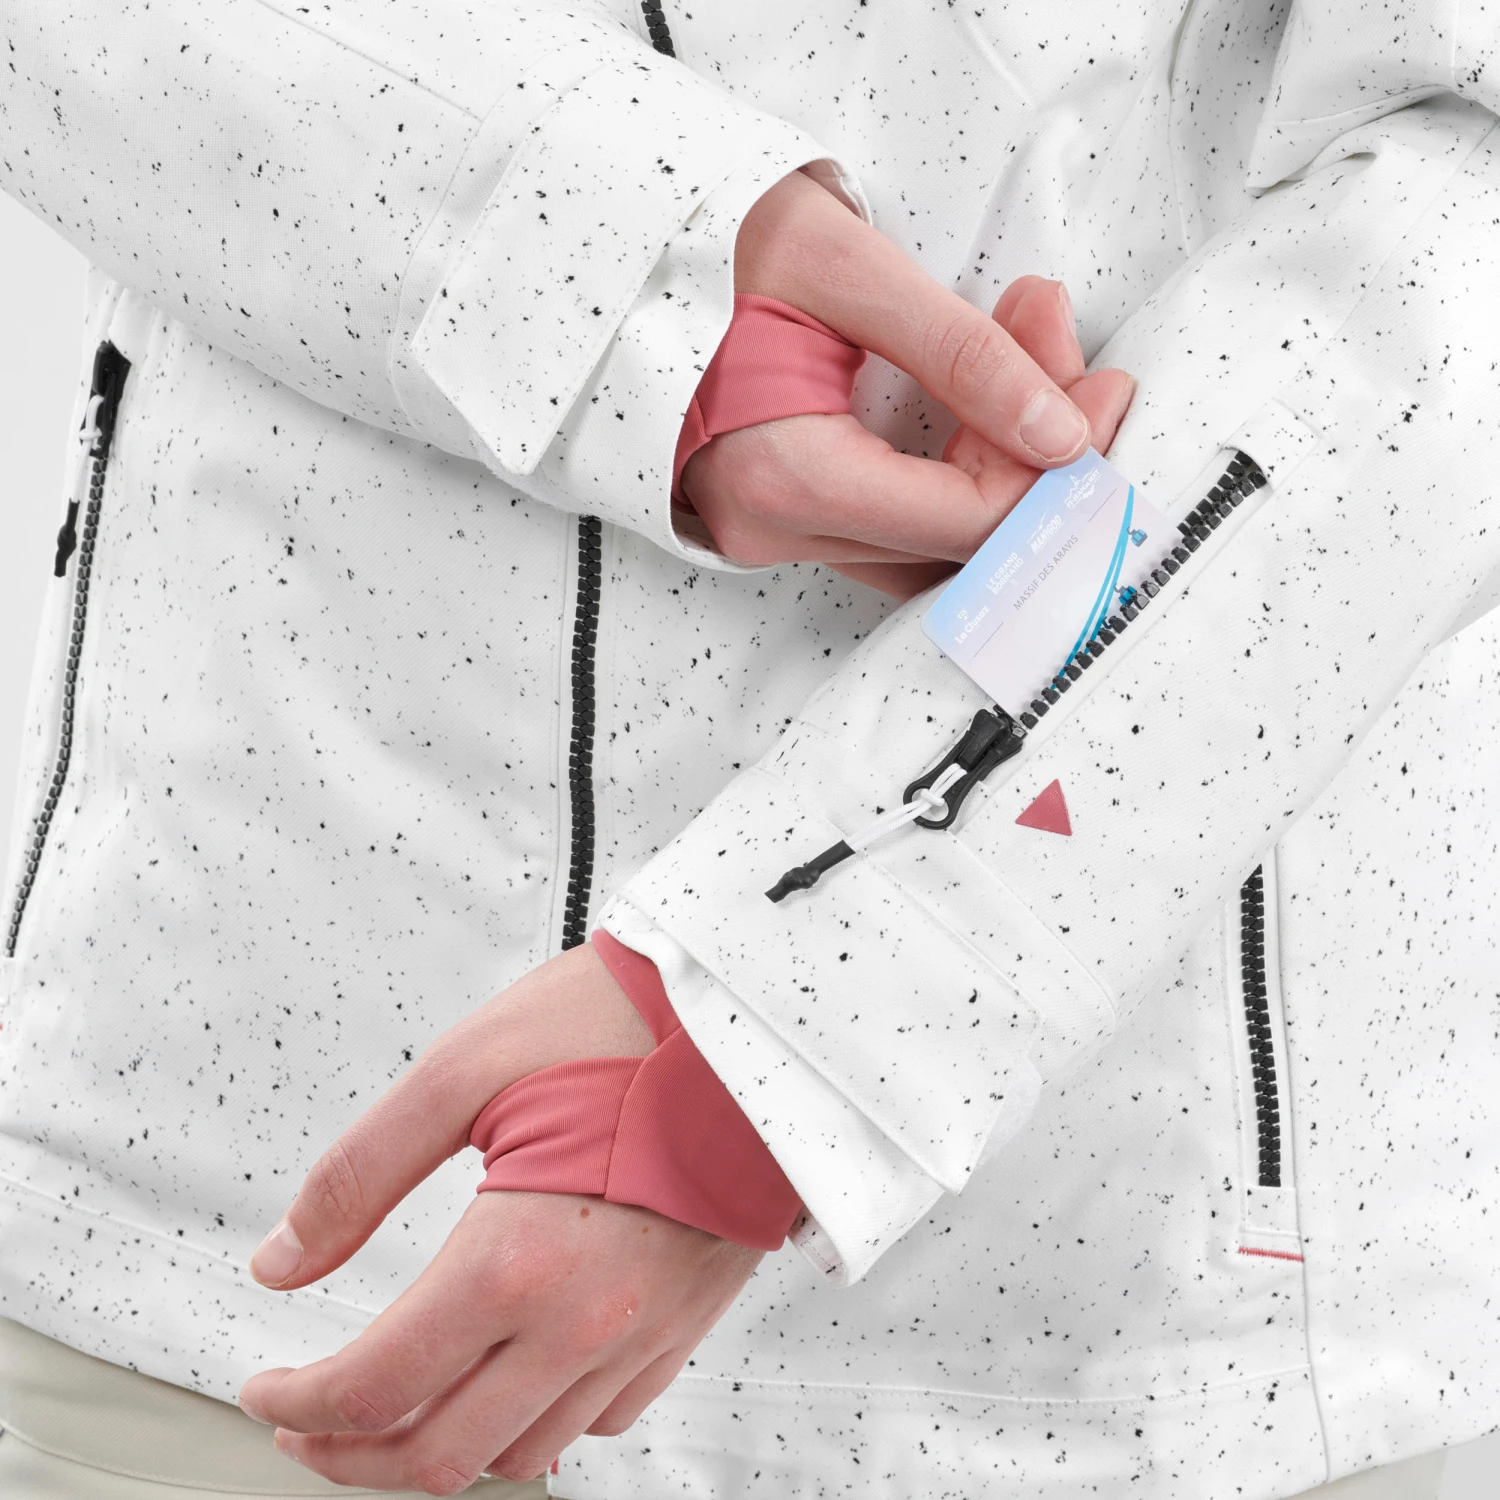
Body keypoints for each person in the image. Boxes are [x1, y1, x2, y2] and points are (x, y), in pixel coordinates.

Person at [1, 1, 1497, 1497]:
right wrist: (617, 277)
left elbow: (1460, 196)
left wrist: (793, 1016)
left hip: (1139, 1319)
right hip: (217, 1167)